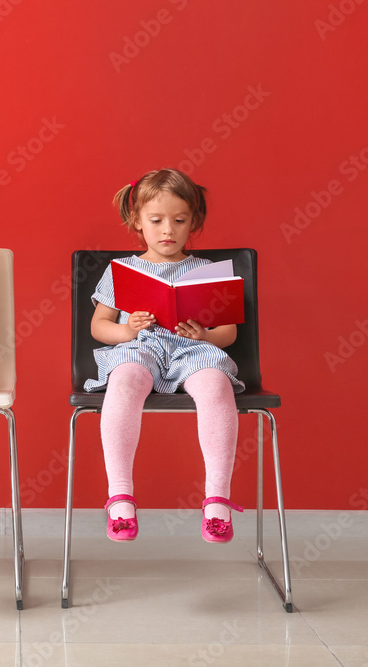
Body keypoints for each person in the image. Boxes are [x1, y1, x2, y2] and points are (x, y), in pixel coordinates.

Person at [85, 168, 245, 543]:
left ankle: (217, 500)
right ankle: (120, 497)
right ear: (137, 222)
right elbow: (99, 326)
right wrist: (128, 330)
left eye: (179, 220)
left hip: (193, 350)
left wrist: (204, 333)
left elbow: (228, 333)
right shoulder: (121, 270)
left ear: (194, 222)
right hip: (140, 348)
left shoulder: (206, 271)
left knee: (215, 384)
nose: (167, 230)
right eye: (156, 221)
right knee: (123, 381)